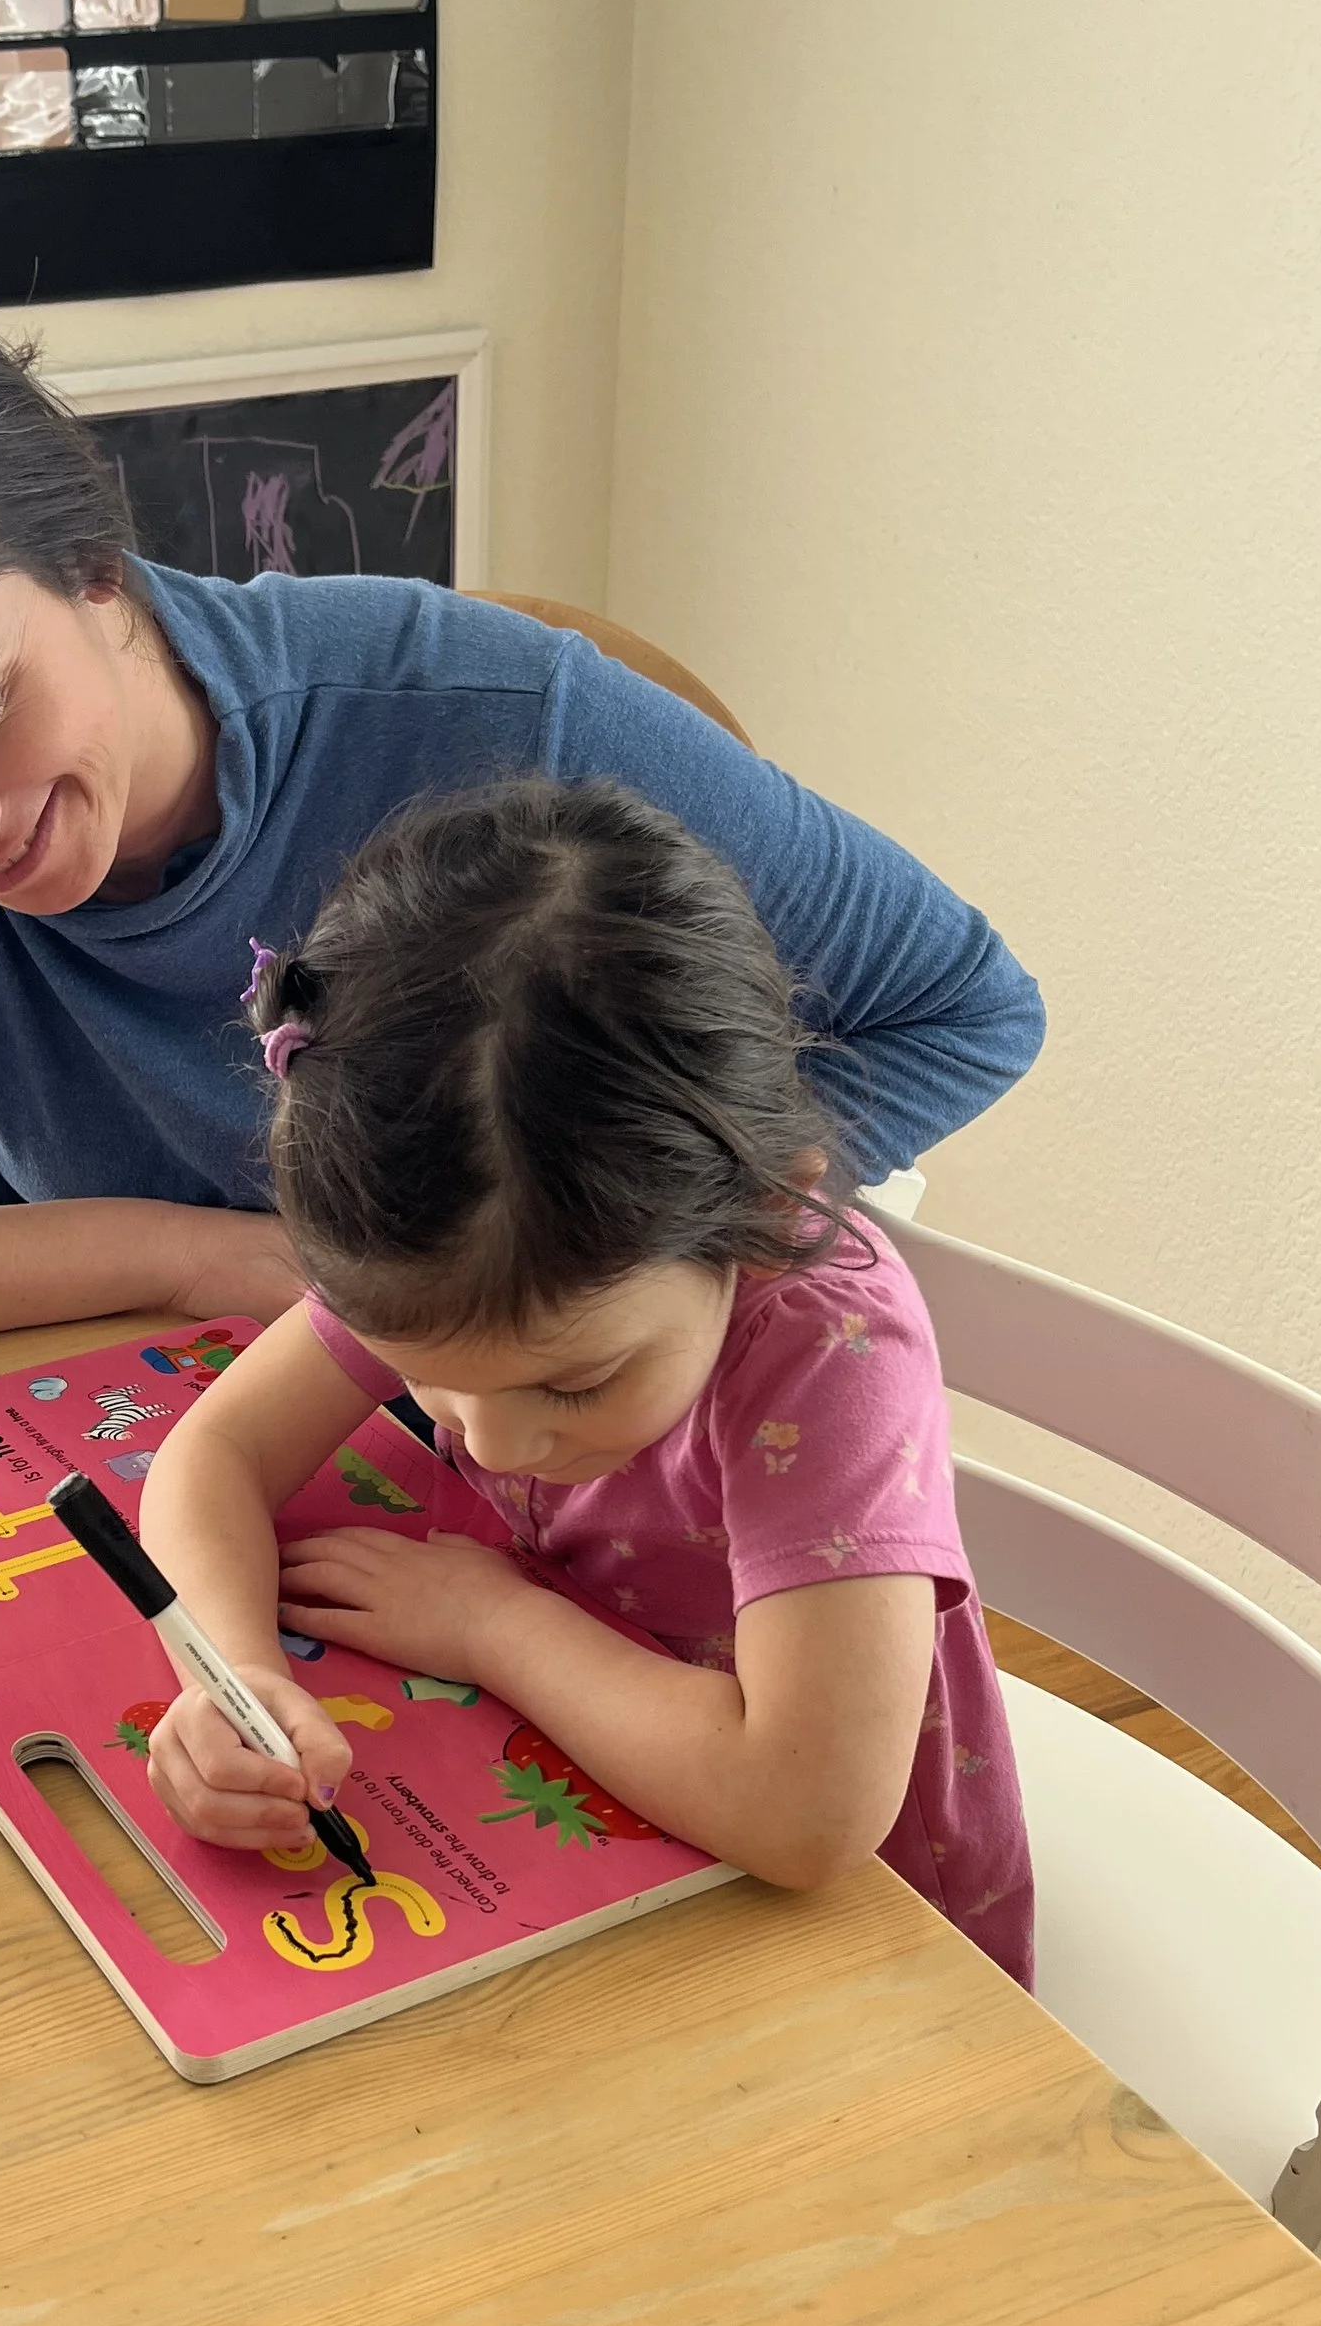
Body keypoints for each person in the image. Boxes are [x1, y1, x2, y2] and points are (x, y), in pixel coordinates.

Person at [0, 242, 1043, 1366]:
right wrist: (198, 1256)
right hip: (162, 1465)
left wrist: (610, 1241)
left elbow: (960, 1010)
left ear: (92, 560)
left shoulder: (500, 717)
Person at [136, 777, 1033, 1984]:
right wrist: (231, 1672)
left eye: (570, 1387)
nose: (493, 1447)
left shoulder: (828, 1350)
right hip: (575, 1820)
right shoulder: (450, 1235)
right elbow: (214, 1458)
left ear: (763, 1211)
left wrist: (489, 1623)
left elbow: (805, 1817)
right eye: (427, 1383)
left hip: (853, 1944)